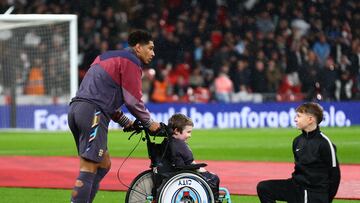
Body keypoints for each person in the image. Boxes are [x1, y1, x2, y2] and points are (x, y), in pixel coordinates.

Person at [67, 30, 160, 203]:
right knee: (89, 165)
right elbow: (133, 100)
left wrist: (125, 121)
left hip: (77, 109)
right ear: (138, 47)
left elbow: (102, 94)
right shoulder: (132, 61)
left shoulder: (104, 57)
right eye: (150, 48)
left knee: (103, 164)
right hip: (93, 112)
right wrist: (149, 122)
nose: (153, 53)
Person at [257, 102, 341, 203]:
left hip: (314, 192)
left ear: (310, 119)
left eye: (299, 116)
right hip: (296, 187)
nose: (295, 119)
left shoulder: (325, 143)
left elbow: (335, 175)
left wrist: (326, 199)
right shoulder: (297, 141)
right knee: (264, 188)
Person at [167, 113, 220, 200]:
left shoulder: (168, 142)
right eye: (188, 132)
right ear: (176, 131)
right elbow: (191, 164)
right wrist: (202, 170)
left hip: (172, 172)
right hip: (183, 174)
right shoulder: (181, 145)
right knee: (214, 177)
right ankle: (214, 199)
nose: (190, 135)